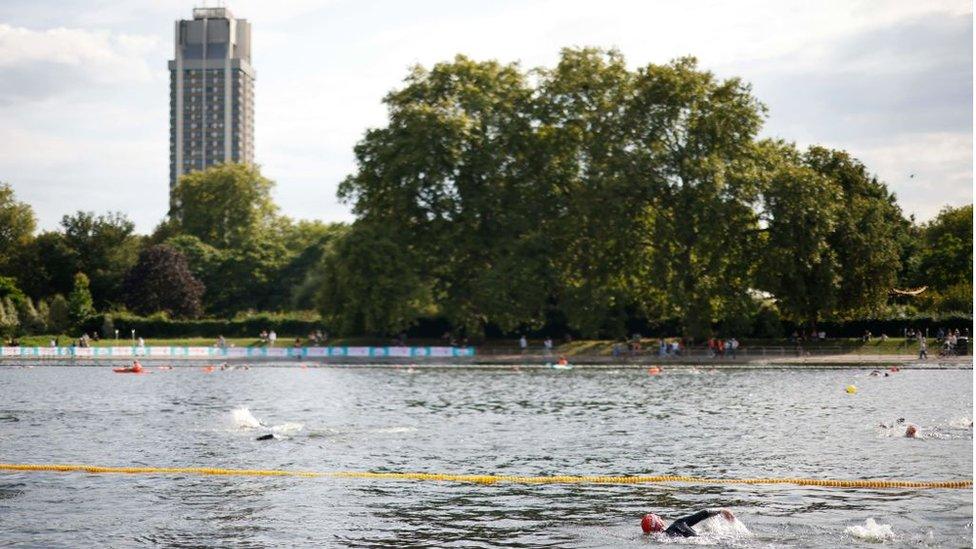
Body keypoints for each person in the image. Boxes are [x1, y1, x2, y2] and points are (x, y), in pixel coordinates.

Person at [642, 509, 736, 537]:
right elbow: (703, 514)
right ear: (658, 522)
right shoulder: (678, 524)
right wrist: (722, 511)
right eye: (659, 518)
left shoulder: (664, 537)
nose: (661, 518)